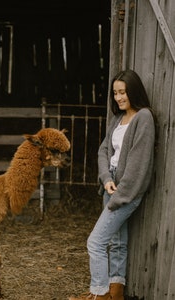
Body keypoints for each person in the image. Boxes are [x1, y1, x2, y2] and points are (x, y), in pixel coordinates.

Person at [70, 69, 156, 300]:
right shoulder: (119, 119)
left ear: (133, 91)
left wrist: (119, 197)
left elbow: (138, 165)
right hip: (112, 184)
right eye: (115, 93)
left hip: (127, 190)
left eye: (123, 92)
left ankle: (99, 293)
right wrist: (106, 179)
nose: (118, 97)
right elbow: (104, 150)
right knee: (117, 242)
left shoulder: (143, 118)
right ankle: (115, 293)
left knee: (95, 243)